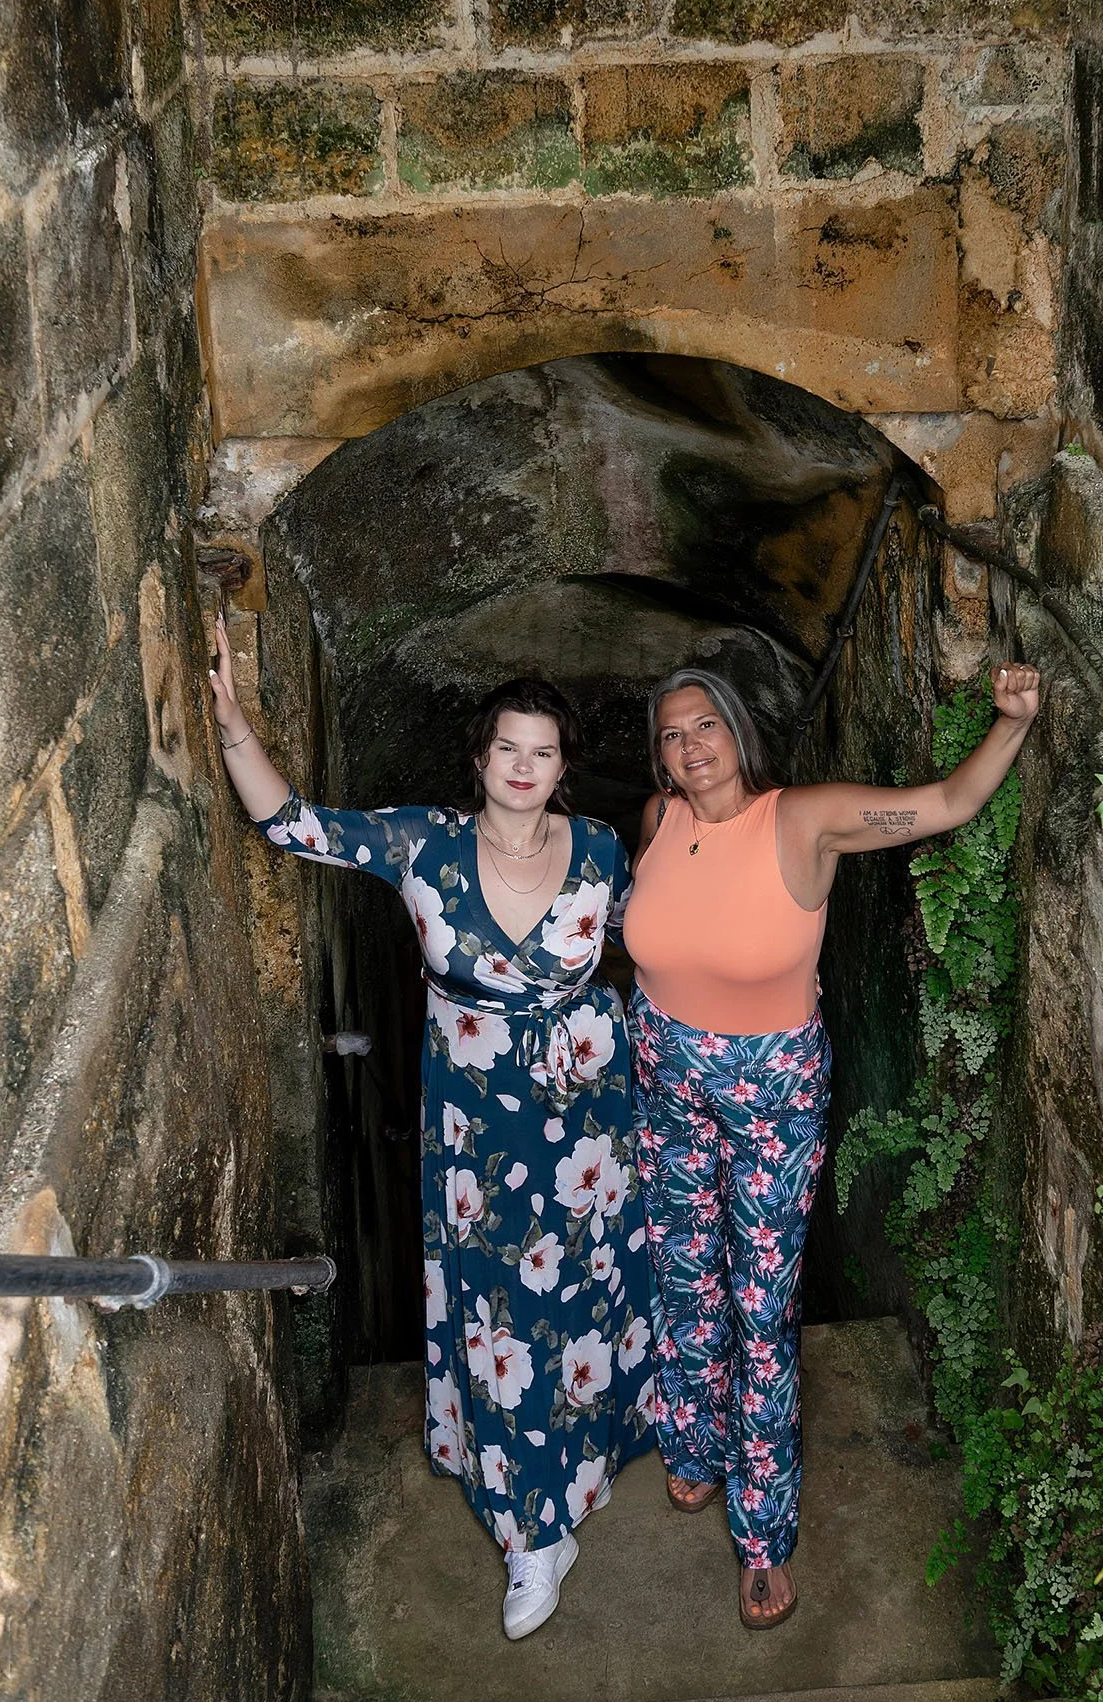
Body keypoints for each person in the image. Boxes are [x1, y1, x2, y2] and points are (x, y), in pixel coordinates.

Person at [208, 620, 656, 1640]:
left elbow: (659, 939)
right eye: (508, 746)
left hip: (592, 1120)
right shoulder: (423, 842)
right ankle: (527, 1532)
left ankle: (573, 1479)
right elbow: (293, 826)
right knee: (501, 1313)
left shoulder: (597, 849)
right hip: (478, 1130)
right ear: (480, 754)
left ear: (562, 768)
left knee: (583, 1302)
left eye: (542, 751)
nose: (523, 766)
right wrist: (234, 726)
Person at [621, 658, 1040, 1630]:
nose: (690, 746)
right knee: (683, 1270)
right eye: (672, 734)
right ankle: (691, 1443)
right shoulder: (655, 819)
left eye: (704, 726)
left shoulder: (801, 820)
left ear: (735, 729)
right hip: (664, 1074)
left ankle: (761, 1535)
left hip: (770, 1088)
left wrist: (1009, 723)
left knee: (759, 1312)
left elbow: (940, 801)